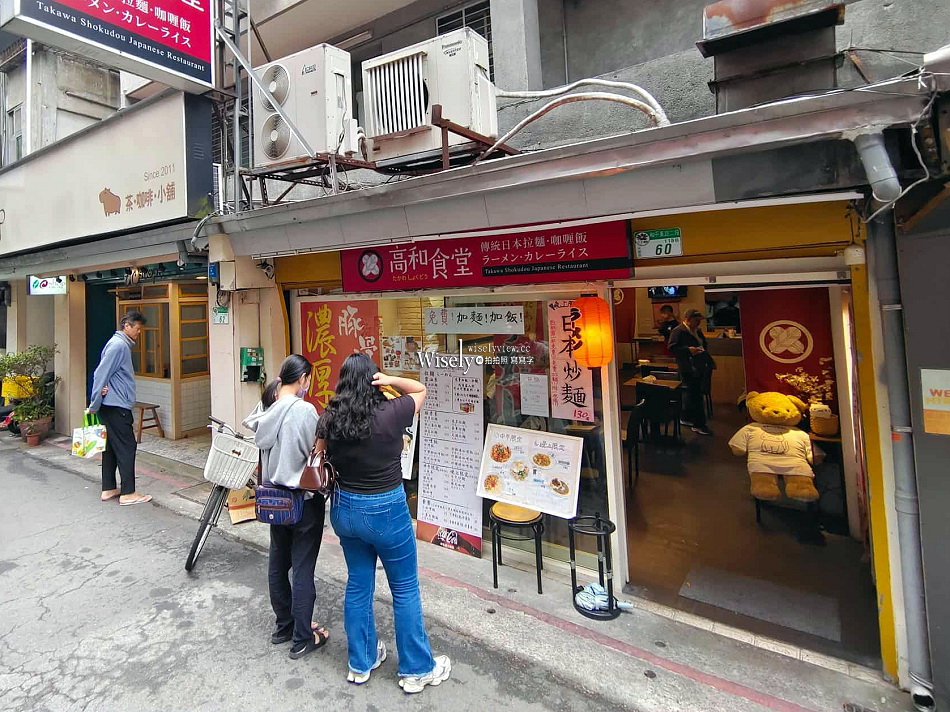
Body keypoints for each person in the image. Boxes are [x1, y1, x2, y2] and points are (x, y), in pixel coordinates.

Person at [316, 353, 451, 693]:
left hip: (345, 510)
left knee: (358, 586)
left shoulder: (330, 417)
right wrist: (389, 379)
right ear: (374, 380)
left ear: (343, 382)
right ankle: (416, 670)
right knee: (404, 588)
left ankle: (360, 663)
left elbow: (318, 456)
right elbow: (421, 389)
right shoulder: (391, 412)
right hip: (387, 509)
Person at [243, 354, 330, 660]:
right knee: (303, 568)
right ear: (303, 378)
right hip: (302, 499)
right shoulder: (305, 411)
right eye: (308, 379)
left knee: (278, 564)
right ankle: (303, 638)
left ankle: (284, 626)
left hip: (272, 500)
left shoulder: (265, 409)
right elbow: (315, 451)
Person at [88, 311, 152, 506]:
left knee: (111, 448)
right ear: (126, 325)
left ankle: (108, 488)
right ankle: (128, 493)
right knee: (126, 447)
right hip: (116, 406)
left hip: (110, 405)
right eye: (137, 328)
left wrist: (98, 401)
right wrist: (94, 402)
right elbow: (101, 373)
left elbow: (105, 374)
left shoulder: (118, 344)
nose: (139, 332)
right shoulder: (119, 345)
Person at [668, 309, 714, 436]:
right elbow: (672, 347)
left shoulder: (697, 331)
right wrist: (689, 350)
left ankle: (686, 417)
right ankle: (699, 424)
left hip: (699, 365)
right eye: (696, 320)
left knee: (691, 393)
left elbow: (704, 344)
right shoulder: (678, 331)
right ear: (688, 319)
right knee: (695, 395)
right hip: (688, 367)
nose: (699, 323)